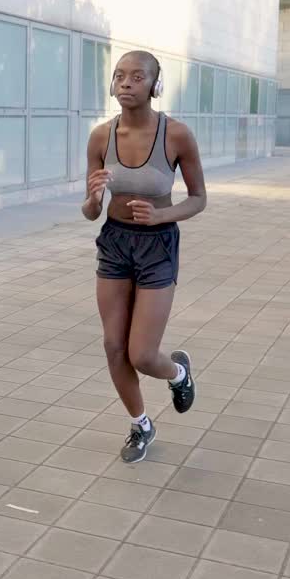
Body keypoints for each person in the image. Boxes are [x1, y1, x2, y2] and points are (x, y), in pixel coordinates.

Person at [82, 50, 207, 463]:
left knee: (142, 353)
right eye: (119, 75)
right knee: (114, 346)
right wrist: (94, 198)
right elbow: (89, 210)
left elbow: (198, 199)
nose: (126, 82)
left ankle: (178, 372)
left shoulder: (176, 136)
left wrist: (160, 215)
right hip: (114, 242)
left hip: (158, 246)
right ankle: (140, 424)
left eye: (137, 76)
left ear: (155, 86)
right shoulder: (101, 136)